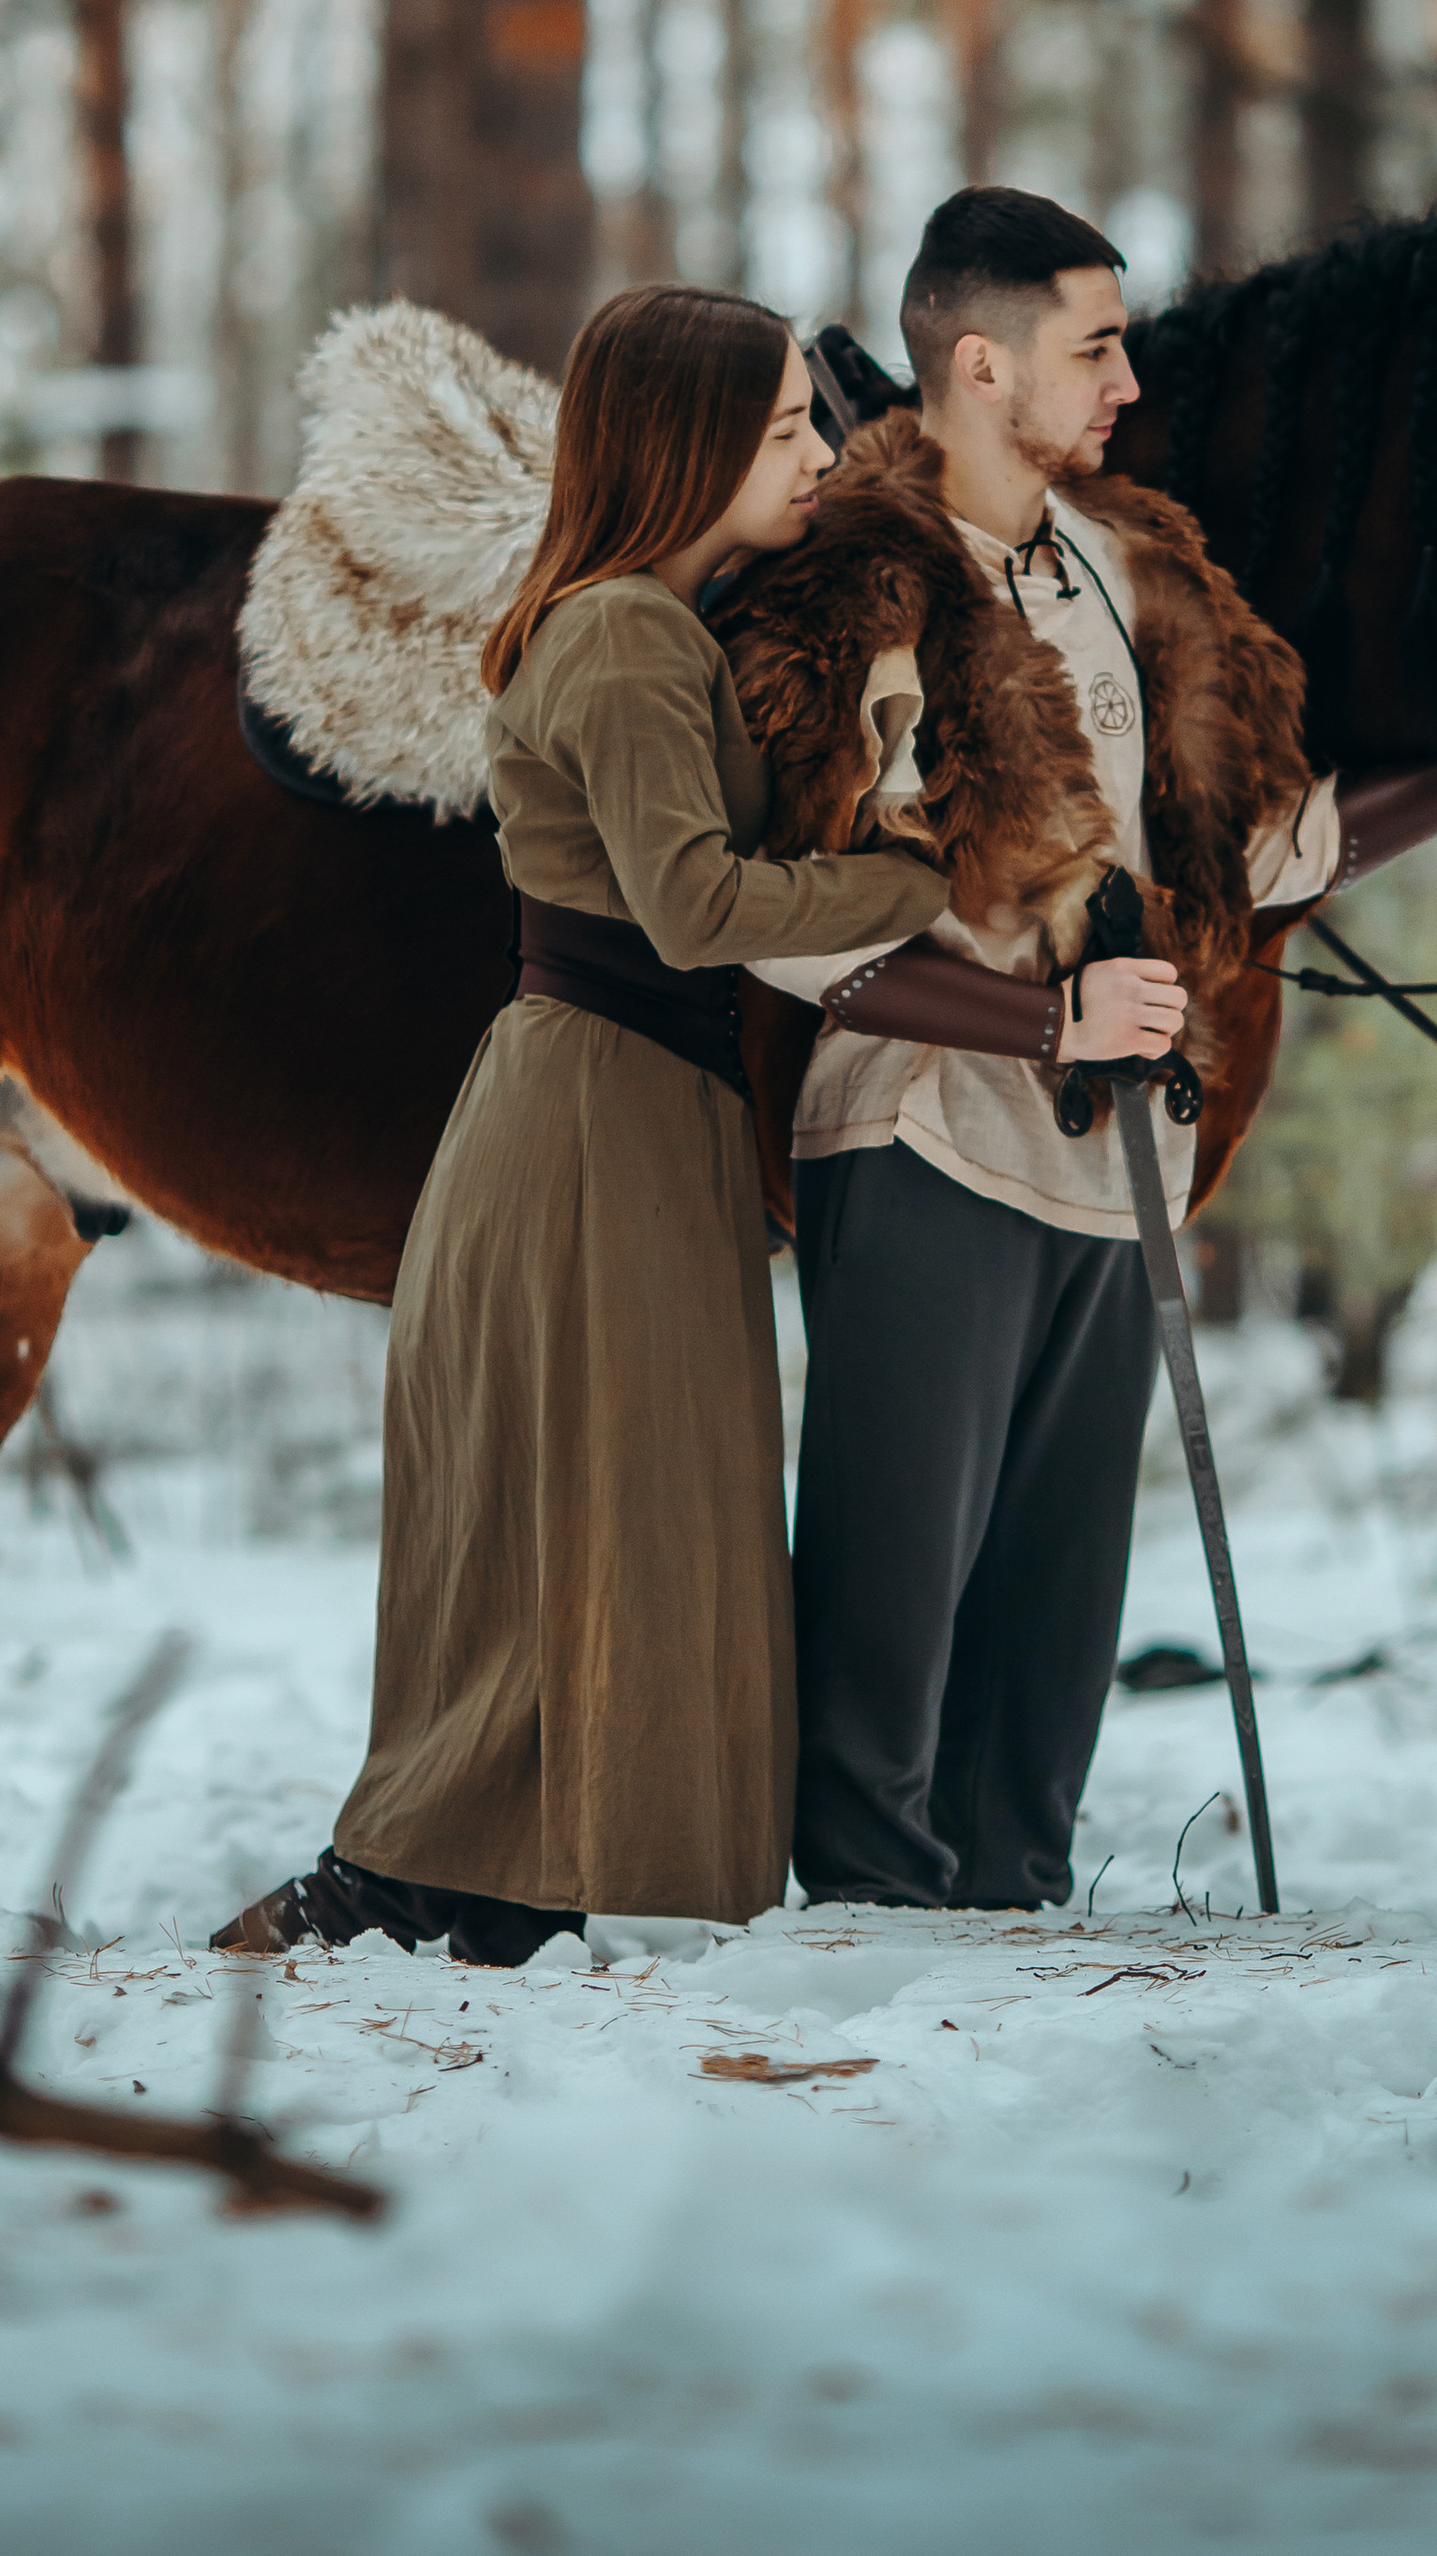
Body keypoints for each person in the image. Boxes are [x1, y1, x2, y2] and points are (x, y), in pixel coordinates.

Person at [218, 280, 1178, 1968]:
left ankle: (516, 1865)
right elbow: (688, 900)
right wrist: (916, 874)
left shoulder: (647, 619)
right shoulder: (621, 633)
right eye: (786, 426)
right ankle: (425, 1865)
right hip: (594, 1105)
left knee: (617, 1498)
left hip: (639, 1106)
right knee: (588, 1493)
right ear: (688, 445)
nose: (817, 451)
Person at [724, 190, 1437, 1913]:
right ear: (980, 362)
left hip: (1120, 1166)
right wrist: (1046, 1012)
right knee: (891, 1629)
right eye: (1095, 345)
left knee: (1053, 1645)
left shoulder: (1136, 572)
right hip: (924, 1139)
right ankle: (874, 1989)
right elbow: (792, 923)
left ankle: (1016, 1952)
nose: (1128, 381)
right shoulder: (854, 593)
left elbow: (1250, 857)